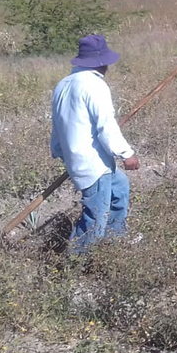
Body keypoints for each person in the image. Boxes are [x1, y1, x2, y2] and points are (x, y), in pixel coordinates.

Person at [51, 34, 140, 253]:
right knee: (94, 220)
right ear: (102, 63)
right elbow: (106, 127)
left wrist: (60, 151)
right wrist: (127, 154)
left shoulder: (63, 84)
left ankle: (116, 238)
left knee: (120, 188)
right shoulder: (94, 86)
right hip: (93, 164)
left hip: (82, 159)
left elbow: (57, 125)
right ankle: (75, 263)